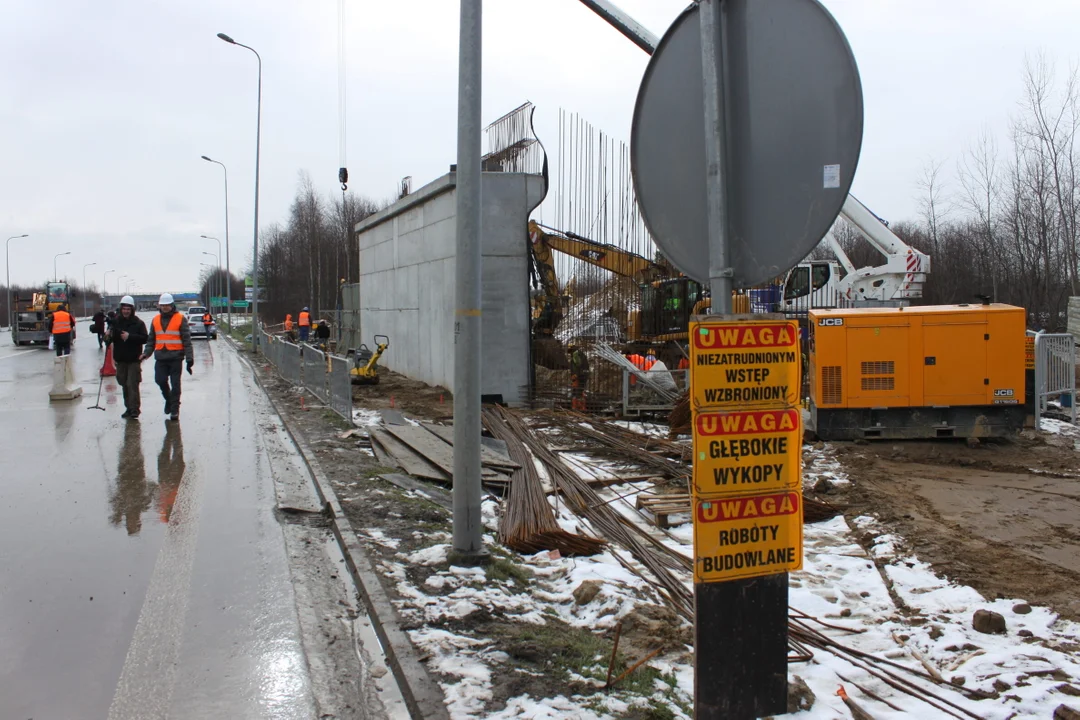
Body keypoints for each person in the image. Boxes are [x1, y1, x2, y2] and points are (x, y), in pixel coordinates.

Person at [141, 293, 193, 422]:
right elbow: (151, 340)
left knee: (175, 384)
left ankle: (175, 409)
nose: (165, 308)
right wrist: (146, 353)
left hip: (176, 357)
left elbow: (187, 340)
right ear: (159, 306)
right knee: (160, 380)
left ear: (172, 305)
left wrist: (189, 359)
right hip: (161, 357)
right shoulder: (155, 320)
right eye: (162, 305)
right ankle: (169, 400)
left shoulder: (180, 319)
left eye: (167, 305)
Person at [108, 295, 148, 419]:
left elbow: (145, 338)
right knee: (123, 383)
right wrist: (108, 336)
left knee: (132, 384)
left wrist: (130, 336)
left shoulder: (138, 323)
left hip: (134, 359)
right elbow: (111, 339)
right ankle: (128, 408)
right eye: (124, 309)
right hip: (121, 359)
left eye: (128, 309)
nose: (126, 311)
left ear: (132, 310)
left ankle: (135, 409)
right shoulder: (116, 322)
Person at [568, 343, 590, 412]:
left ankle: (577, 407)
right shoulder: (580, 354)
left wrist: (576, 375)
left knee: (577, 391)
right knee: (580, 391)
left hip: (579, 376)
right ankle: (581, 407)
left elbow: (579, 365)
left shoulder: (575, 354)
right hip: (583, 375)